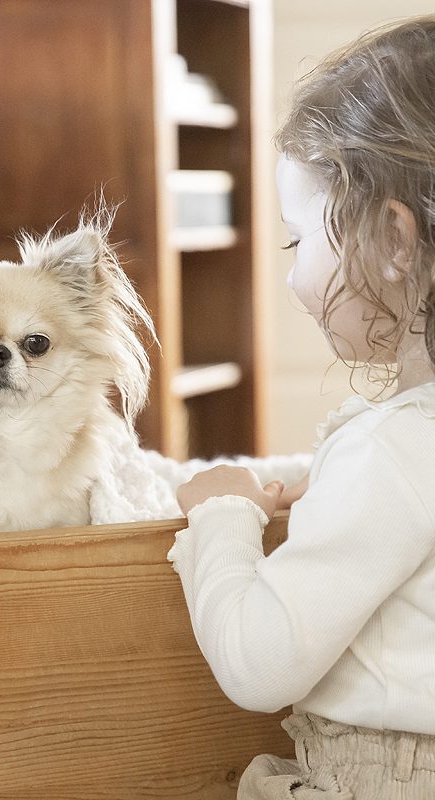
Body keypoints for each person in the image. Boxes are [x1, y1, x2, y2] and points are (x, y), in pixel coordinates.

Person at [168, 15, 435, 800]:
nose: (290, 280)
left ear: (393, 238)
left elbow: (259, 662)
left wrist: (220, 520)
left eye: (297, 242)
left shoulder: (391, 448)